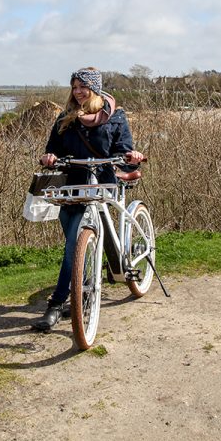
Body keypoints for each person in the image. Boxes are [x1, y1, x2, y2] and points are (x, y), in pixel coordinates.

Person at [32, 67, 145, 332]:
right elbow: (53, 149)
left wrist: (131, 156)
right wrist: (49, 157)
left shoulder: (114, 116)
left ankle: (57, 304)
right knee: (74, 245)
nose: (78, 92)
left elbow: (123, 149)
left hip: (101, 183)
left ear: (94, 88)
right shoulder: (65, 118)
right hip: (71, 186)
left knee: (73, 244)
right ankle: (80, 288)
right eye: (74, 87)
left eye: (83, 86)